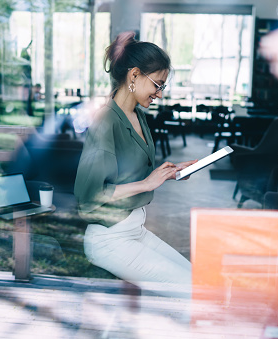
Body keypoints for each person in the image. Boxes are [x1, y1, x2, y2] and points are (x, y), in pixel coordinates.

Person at [74, 32, 197, 297]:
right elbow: (89, 194)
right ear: (134, 75)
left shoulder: (137, 116)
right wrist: (146, 183)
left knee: (197, 281)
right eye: (158, 84)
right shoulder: (105, 121)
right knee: (192, 292)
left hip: (133, 231)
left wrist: (169, 174)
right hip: (109, 239)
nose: (160, 94)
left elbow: (133, 174)